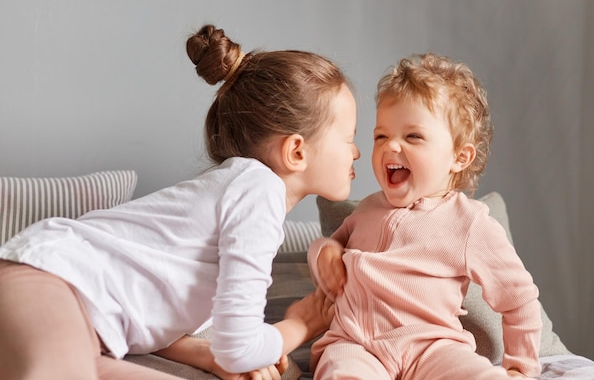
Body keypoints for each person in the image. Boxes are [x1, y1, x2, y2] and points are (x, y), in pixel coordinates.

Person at [0, 24, 360, 380]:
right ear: (296, 150)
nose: (357, 152)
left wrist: (203, 354)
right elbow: (239, 346)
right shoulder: (259, 190)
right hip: (51, 280)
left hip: (91, 332)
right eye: (349, 137)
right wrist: (299, 325)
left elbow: (157, 314)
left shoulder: (239, 202)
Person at [307, 53, 542, 380]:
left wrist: (521, 368)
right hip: (355, 344)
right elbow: (329, 248)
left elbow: (519, 298)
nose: (391, 147)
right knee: (341, 372)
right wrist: (325, 255)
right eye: (381, 136)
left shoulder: (469, 222)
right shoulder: (365, 210)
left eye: (412, 136)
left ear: (459, 157)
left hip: (432, 347)